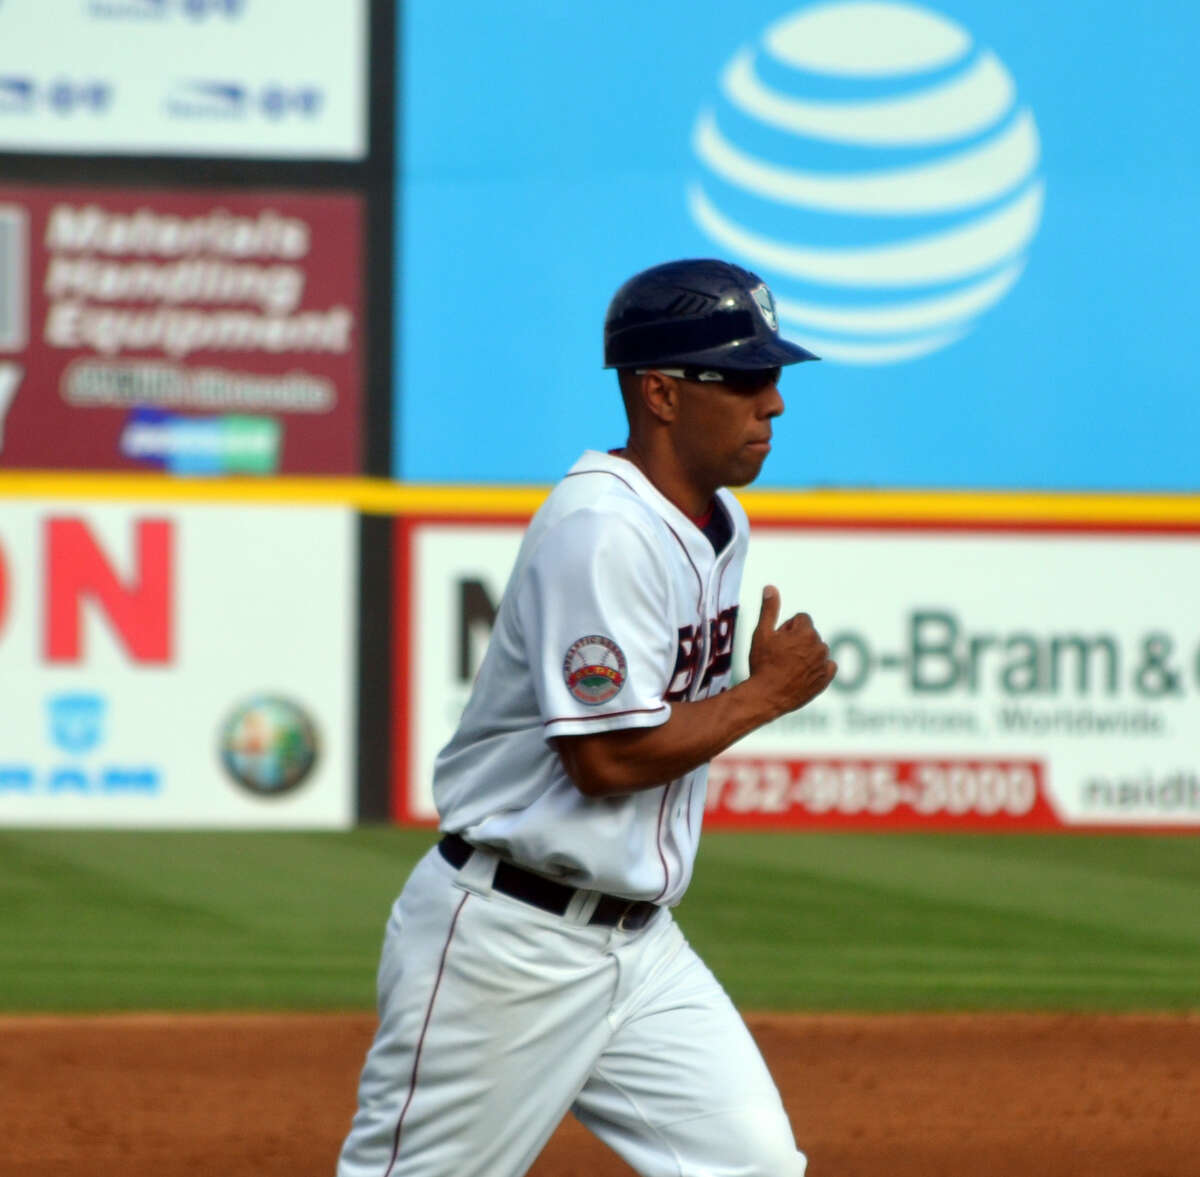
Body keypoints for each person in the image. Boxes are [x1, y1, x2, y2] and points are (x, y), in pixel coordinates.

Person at [337, 258, 837, 1177]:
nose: (772, 403)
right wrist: (765, 693)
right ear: (661, 394)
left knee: (754, 1165)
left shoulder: (718, 520)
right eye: (743, 378)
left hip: (640, 948)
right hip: (510, 940)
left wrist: (753, 693)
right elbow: (604, 762)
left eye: (773, 377)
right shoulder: (600, 529)